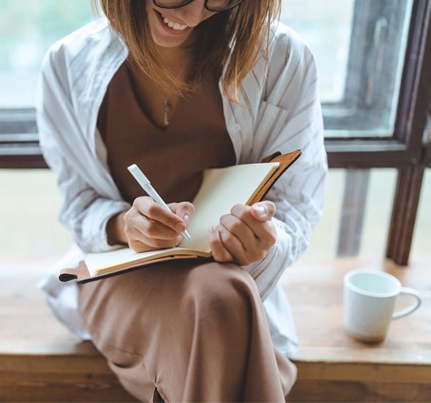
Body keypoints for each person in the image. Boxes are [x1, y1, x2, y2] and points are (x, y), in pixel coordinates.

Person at [37, 0, 327, 400]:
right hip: (119, 276)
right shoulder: (67, 65)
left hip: (233, 279)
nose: (190, 16)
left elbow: (296, 202)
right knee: (222, 303)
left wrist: (260, 238)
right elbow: (79, 203)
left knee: (218, 294)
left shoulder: (282, 59)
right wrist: (126, 225)